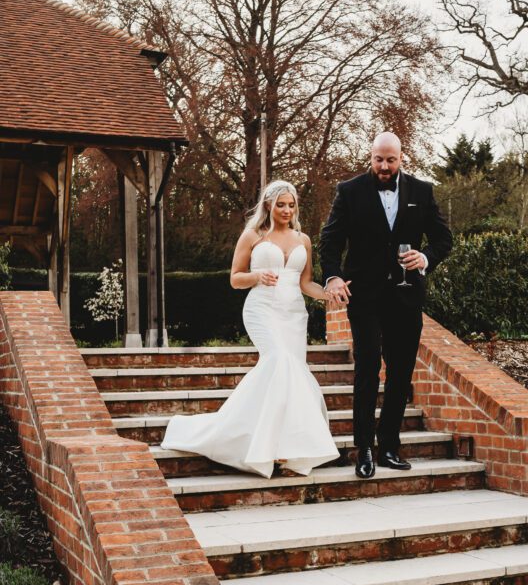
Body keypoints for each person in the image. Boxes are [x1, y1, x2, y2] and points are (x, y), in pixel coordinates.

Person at [161, 180, 339, 478]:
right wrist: (257, 275)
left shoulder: (303, 239)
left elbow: (305, 283)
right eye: (281, 204)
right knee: (280, 363)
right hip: (262, 310)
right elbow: (234, 278)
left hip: (294, 314)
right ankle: (250, 442)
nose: (286, 210)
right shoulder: (252, 235)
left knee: (290, 373)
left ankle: (286, 450)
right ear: (269, 205)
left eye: (291, 204)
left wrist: (328, 293)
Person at [320, 132, 453, 479]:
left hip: (407, 296)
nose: (383, 166)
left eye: (390, 160)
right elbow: (330, 240)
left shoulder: (422, 192)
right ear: (371, 156)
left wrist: (424, 257)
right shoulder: (349, 191)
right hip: (363, 296)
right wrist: (332, 277)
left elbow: (444, 239)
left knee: (400, 372)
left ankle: (390, 446)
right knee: (367, 369)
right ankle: (363, 448)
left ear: (401, 158)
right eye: (379, 159)